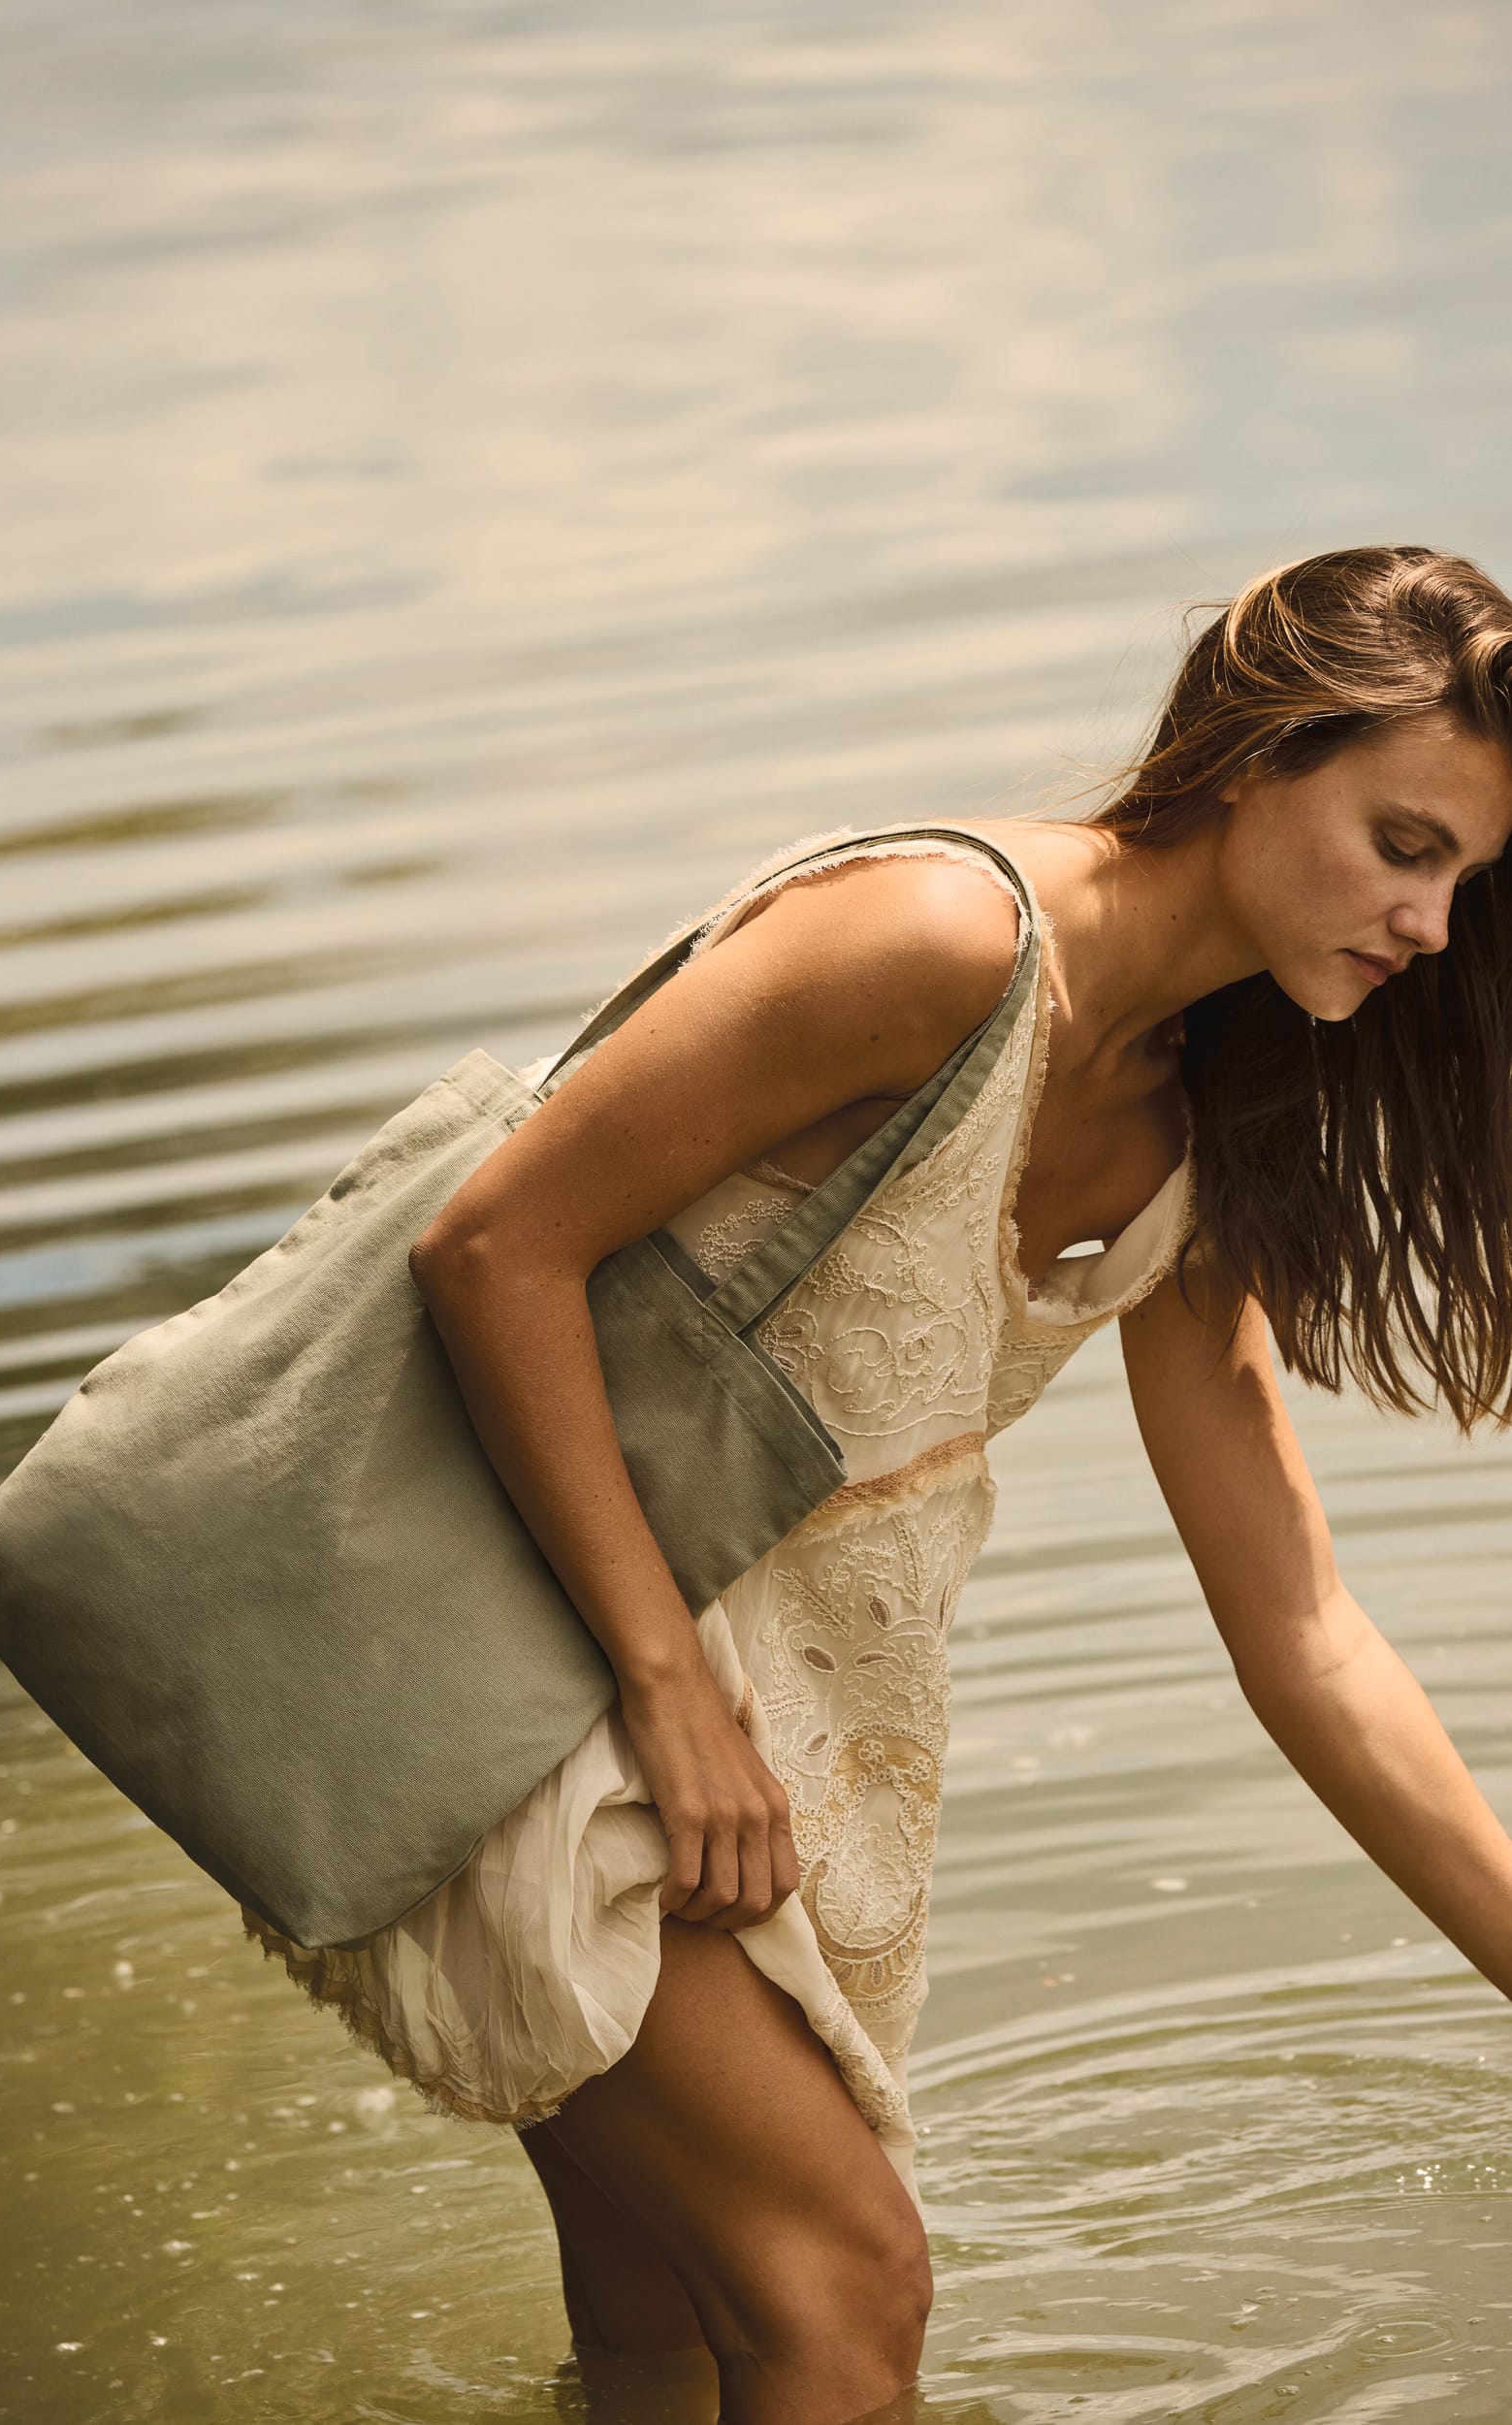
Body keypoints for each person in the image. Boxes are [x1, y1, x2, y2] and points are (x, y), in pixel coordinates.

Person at [241, 542, 1512, 2425]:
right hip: (531, 1673)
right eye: (1406, 841)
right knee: (851, 2281)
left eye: (1469, 881)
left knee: (667, 2312)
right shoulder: (939, 940)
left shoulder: (1204, 1117)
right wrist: (675, 1702)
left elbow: (1303, 1627)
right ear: (1254, 752)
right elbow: (493, 1250)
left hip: (757, 1727)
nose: (1429, 919)